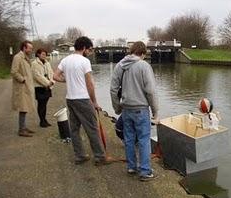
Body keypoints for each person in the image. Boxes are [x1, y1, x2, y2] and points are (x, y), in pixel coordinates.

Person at [53, 36, 112, 166]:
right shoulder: (84, 61)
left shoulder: (65, 60)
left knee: (74, 130)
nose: (90, 52)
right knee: (92, 129)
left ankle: (80, 156)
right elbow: (89, 83)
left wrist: (67, 80)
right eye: (89, 49)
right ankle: (100, 157)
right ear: (84, 48)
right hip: (83, 99)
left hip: (70, 99)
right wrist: (94, 101)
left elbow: (55, 76)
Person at [110, 41, 158, 181]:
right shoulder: (144, 66)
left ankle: (131, 167)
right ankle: (145, 171)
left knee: (129, 139)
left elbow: (113, 89)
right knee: (143, 140)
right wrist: (155, 111)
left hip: (126, 109)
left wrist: (117, 108)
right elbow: (151, 91)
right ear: (142, 53)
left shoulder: (120, 65)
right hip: (141, 109)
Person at [11, 40, 36, 137]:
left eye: (31, 48)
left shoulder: (25, 58)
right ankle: (21, 130)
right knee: (23, 107)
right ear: (24, 48)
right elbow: (14, 72)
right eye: (29, 48)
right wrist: (23, 80)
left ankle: (23, 127)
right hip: (22, 88)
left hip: (26, 87)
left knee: (25, 108)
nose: (31, 50)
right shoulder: (18, 57)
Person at [31, 48, 55, 128]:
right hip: (39, 87)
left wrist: (51, 81)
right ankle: (42, 121)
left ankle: (44, 120)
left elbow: (51, 72)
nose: (44, 56)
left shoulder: (47, 63)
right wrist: (47, 83)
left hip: (48, 86)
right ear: (38, 54)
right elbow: (37, 76)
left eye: (45, 54)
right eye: (42, 54)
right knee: (41, 104)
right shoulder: (34, 64)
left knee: (45, 104)